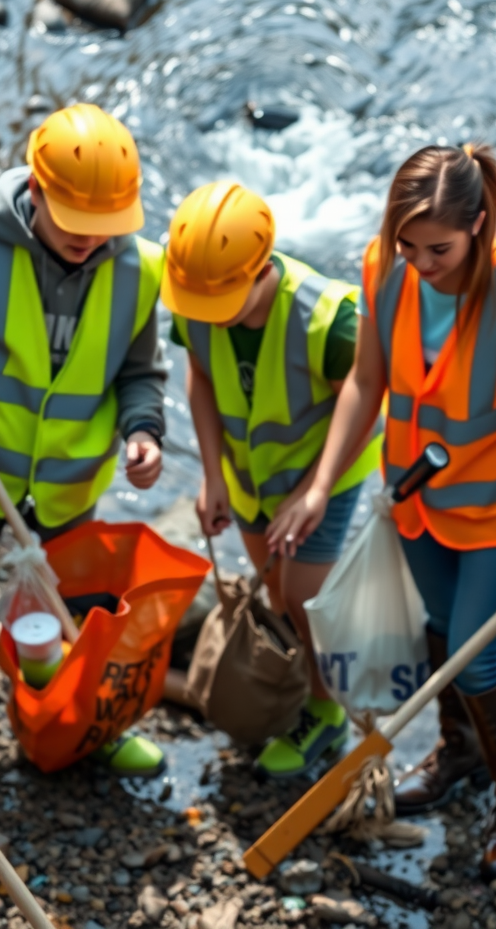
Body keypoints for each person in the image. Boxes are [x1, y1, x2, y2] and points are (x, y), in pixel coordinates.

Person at [271, 145, 496, 878]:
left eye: (437, 248)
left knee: (479, 656)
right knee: (442, 634)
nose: (420, 262)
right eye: (407, 245)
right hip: (419, 505)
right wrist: (319, 486)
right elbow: (365, 381)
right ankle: (461, 756)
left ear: (479, 224)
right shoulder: (387, 270)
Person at [0, 104, 168, 777]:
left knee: (77, 601)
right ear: (36, 194)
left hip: (68, 482)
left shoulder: (137, 272)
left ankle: (76, 714)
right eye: (75, 223)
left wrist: (144, 430)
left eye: (105, 227)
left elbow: (139, 373)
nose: (89, 240)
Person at [161, 181, 381, 777]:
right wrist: (213, 477)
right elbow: (200, 379)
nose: (204, 316)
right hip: (252, 473)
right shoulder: (199, 299)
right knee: (276, 589)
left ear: (261, 273)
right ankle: (302, 688)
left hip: (322, 472)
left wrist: (315, 489)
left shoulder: (330, 321)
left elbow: (362, 409)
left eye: (218, 304)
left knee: (306, 598)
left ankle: (328, 712)